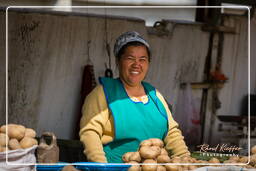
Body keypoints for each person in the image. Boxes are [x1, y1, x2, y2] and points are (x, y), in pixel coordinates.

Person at [79, 31, 190, 163]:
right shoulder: (102, 93)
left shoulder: (155, 95)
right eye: (130, 58)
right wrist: (102, 166)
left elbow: (172, 133)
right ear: (118, 61)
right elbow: (90, 133)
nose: (137, 64)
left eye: (142, 59)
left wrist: (185, 159)